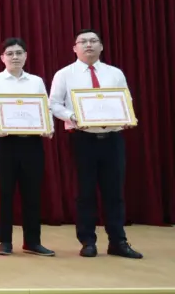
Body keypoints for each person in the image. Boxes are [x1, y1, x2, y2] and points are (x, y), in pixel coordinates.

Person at [49, 29, 142, 259]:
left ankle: (118, 242)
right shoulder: (64, 74)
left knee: (114, 192)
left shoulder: (115, 73)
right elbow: (54, 104)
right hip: (82, 139)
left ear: (101, 46)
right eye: (83, 41)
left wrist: (126, 115)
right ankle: (88, 241)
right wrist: (73, 117)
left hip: (112, 139)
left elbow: (126, 99)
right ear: (75, 48)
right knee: (85, 192)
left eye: (93, 41)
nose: (88, 45)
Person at [0, 38, 55, 257]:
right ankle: (5, 240)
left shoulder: (36, 81)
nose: (15, 57)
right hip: (5, 142)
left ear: (26, 56)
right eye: (10, 53)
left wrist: (49, 126)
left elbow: (45, 108)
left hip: (32, 142)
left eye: (19, 53)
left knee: (32, 192)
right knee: (4, 192)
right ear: (2, 58)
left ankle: (32, 241)